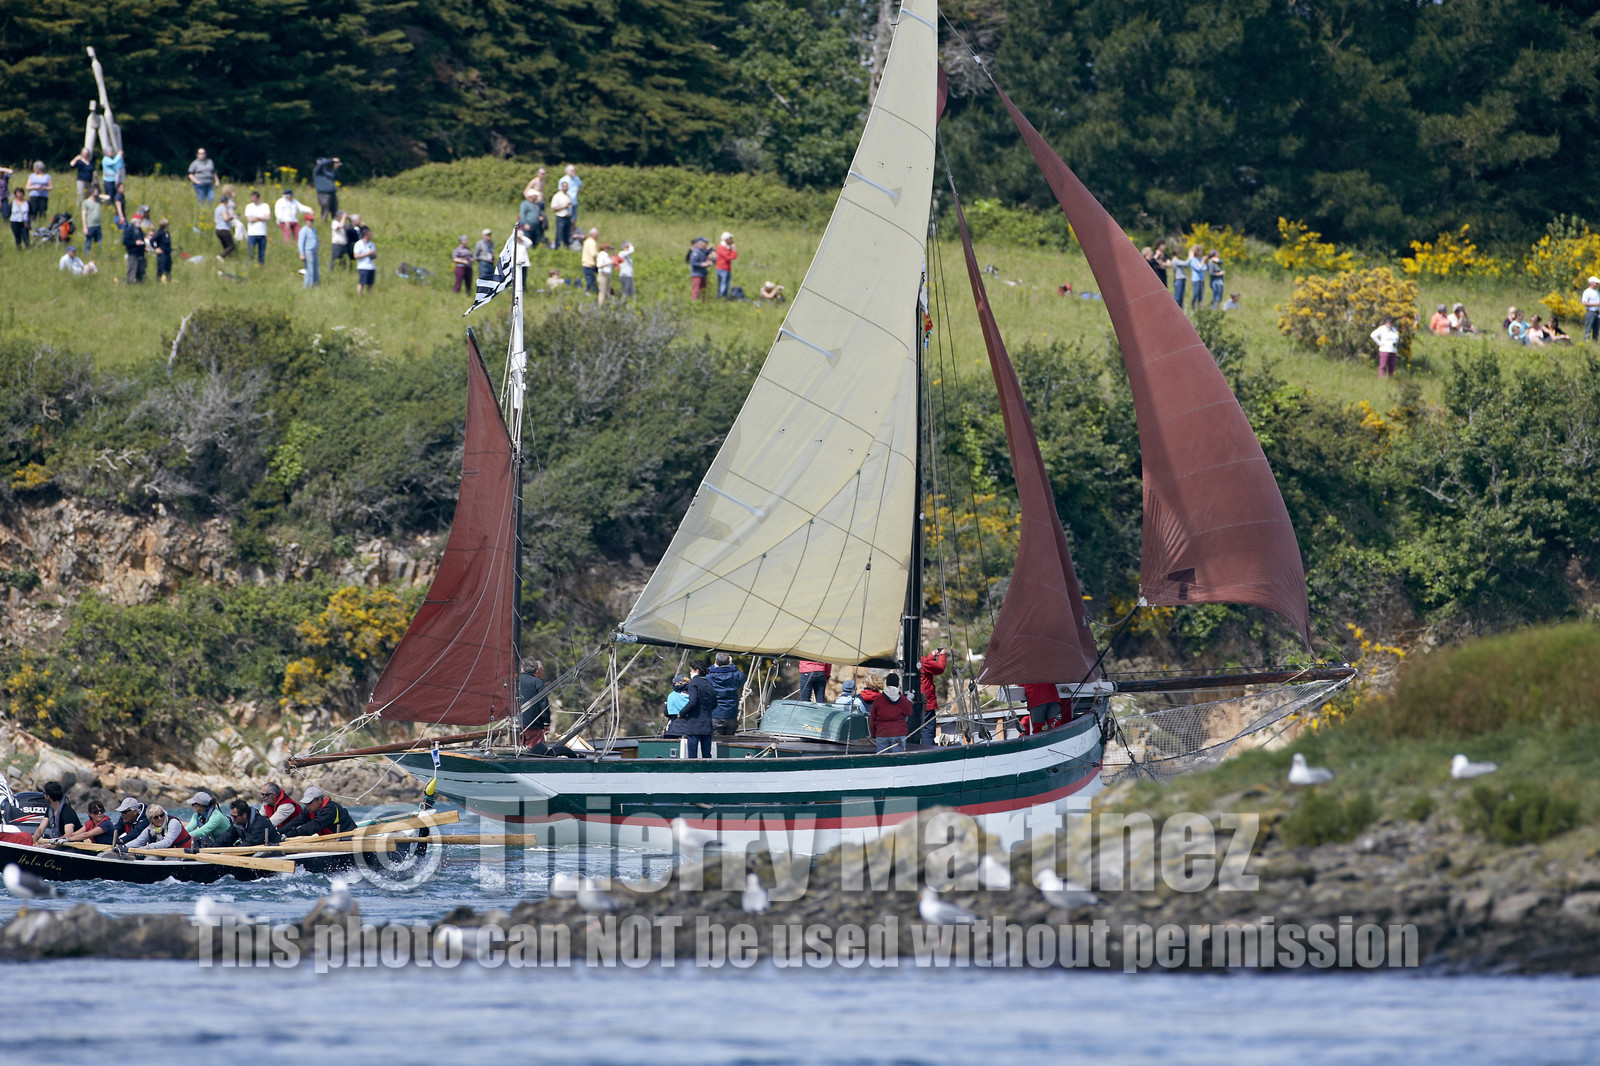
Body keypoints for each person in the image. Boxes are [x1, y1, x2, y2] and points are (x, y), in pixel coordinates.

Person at [666, 660, 716, 758]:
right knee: (707, 755)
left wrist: (682, 713)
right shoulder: (709, 685)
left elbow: (692, 702)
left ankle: (694, 772)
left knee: (692, 755)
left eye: (691, 670)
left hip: (694, 724)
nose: (690, 673)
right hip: (707, 724)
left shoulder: (693, 684)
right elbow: (714, 704)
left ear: (696, 670)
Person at [861, 674, 911, 752]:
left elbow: (872, 719)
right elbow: (909, 712)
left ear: (886, 683)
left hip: (882, 733)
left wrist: (873, 734)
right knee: (897, 760)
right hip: (898, 733)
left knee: (882, 759)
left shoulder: (878, 700)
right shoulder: (902, 699)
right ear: (897, 684)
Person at [284, 786, 357, 836]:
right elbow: (296, 822)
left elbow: (313, 826)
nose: (307, 805)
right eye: (305, 803)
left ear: (319, 800)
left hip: (347, 837)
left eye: (309, 802)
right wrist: (280, 832)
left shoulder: (330, 810)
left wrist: (288, 835)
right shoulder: (309, 809)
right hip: (330, 839)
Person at [123, 803, 192, 851]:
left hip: (182, 851)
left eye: (161, 815)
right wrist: (123, 847)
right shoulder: (150, 829)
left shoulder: (173, 822)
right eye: (156, 817)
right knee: (149, 859)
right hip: (166, 852)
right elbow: (138, 841)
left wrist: (147, 847)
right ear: (151, 820)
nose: (160, 818)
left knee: (168, 859)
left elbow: (167, 842)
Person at [707, 651, 745, 736]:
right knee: (730, 742)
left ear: (716, 662)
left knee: (717, 743)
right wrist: (732, 664)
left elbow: (708, 674)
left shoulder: (710, 677)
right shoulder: (735, 676)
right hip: (732, 714)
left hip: (716, 714)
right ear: (729, 661)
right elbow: (741, 676)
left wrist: (713, 667)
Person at [219, 798, 283, 848]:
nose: (232, 818)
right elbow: (226, 837)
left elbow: (249, 843)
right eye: (231, 816)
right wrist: (213, 848)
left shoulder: (260, 824)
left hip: (273, 851)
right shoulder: (237, 823)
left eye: (234, 816)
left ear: (244, 815)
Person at [518, 657, 550, 752]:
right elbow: (544, 703)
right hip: (533, 723)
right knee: (535, 749)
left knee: (518, 748)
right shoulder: (537, 682)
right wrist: (546, 723)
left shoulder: (515, 680)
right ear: (536, 670)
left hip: (516, 722)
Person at [242, 190, 271, 265]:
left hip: (262, 233)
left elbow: (268, 217)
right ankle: (250, 264)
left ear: (258, 198)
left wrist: (256, 218)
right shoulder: (249, 206)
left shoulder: (265, 206)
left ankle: (261, 265)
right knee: (251, 252)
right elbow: (249, 219)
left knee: (261, 253)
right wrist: (261, 218)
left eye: (254, 197)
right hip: (252, 233)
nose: (252, 199)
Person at [121, 208, 148, 284]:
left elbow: (142, 240)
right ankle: (130, 284)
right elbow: (125, 242)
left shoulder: (140, 230)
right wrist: (135, 243)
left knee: (141, 271)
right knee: (132, 270)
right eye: (140, 220)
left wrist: (144, 247)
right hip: (133, 254)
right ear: (135, 220)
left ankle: (141, 284)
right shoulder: (129, 230)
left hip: (141, 254)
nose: (141, 221)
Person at [25, 161, 52, 225]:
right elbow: (27, 187)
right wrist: (34, 187)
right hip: (34, 196)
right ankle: (32, 223)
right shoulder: (32, 176)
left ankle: (42, 223)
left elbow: (51, 187)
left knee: (42, 211)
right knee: (33, 211)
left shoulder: (47, 176)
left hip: (43, 196)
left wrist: (45, 188)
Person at [549, 179, 573, 250]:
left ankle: (566, 248)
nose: (566, 188)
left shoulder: (568, 196)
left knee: (567, 234)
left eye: (567, 187)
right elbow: (553, 208)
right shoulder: (557, 196)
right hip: (561, 217)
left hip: (568, 217)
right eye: (564, 186)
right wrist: (563, 207)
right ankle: (557, 247)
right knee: (559, 233)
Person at [298, 213, 319, 287]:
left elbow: (316, 239)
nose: (311, 222)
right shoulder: (304, 230)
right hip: (308, 251)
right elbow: (301, 242)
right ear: (306, 221)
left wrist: (317, 246)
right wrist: (302, 253)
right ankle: (308, 285)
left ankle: (315, 284)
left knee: (316, 269)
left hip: (314, 251)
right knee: (309, 269)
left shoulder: (313, 229)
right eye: (310, 220)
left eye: (312, 220)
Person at [687, 236, 711, 301]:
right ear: (700, 243)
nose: (706, 244)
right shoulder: (696, 252)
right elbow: (693, 263)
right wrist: (702, 264)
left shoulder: (703, 252)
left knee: (703, 290)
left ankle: (702, 303)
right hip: (697, 274)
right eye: (705, 243)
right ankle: (693, 303)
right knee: (696, 290)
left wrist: (708, 263)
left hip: (703, 274)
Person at [715, 232, 738, 299]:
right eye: (730, 238)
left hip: (727, 268)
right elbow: (728, 257)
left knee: (726, 284)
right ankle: (720, 297)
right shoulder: (721, 247)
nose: (731, 240)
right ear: (726, 239)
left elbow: (734, 257)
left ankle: (725, 297)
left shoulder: (727, 247)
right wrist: (733, 250)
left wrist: (734, 250)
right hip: (722, 268)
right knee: (723, 284)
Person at [1183, 244, 1206, 310]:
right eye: (1200, 251)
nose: (1202, 252)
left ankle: (1199, 308)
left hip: (1202, 279)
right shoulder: (1194, 260)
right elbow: (1198, 269)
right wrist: (1202, 264)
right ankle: (1193, 307)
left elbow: (1205, 268)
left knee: (1201, 295)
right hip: (1196, 280)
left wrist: (1201, 265)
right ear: (1197, 252)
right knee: (1195, 294)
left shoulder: (1200, 259)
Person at [354, 227, 376, 294]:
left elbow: (374, 254)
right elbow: (356, 256)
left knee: (370, 284)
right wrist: (367, 254)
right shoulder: (359, 244)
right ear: (365, 235)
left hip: (371, 266)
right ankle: (359, 296)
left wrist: (373, 254)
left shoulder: (371, 244)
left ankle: (369, 296)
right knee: (362, 283)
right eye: (369, 234)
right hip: (363, 266)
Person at [563, 164, 582, 232]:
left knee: (573, 219)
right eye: (572, 170)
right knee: (566, 219)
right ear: (567, 171)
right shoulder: (563, 179)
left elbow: (581, 186)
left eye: (574, 170)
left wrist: (577, 195)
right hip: (566, 203)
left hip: (574, 202)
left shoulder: (577, 179)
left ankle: (571, 232)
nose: (573, 172)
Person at [581, 228, 600, 293]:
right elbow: (593, 254)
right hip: (590, 265)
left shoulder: (587, 241)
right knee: (591, 282)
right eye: (597, 235)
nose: (598, 236)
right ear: (593, 235)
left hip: (585, 264)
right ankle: (590, 293)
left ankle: (589, 293)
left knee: (590, 280)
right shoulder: (592, 242)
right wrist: (601, 254)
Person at [1582, 277, 1600, 342]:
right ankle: (1586, 342)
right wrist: (1596, 304)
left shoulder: (1597, 292)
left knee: (1596, 330)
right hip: (1590, 312)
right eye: (1596, 283)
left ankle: (1595, 342)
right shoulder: (1587, 292)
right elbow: (1584, 302)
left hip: (1597, 313)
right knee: (1588, 329)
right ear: (1591, 283)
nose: (1597, 284)